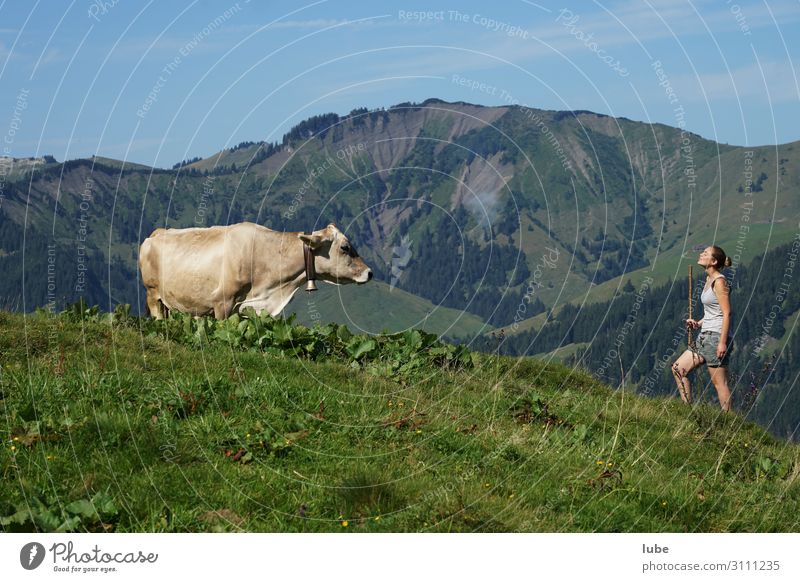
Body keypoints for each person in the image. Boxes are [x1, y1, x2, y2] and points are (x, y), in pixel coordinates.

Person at [671, 246, 734, 411]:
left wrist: (722, 343)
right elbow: (715, 313)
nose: (701, 254)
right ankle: (688, 412)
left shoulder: (720, 282)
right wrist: (698, 323)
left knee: (719, 383)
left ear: (713, 261)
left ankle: (730, 424)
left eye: (705, 253)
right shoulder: (708, 280)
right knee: (678, 369)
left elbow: (727, 313)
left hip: (716, 337)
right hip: (705, 335)